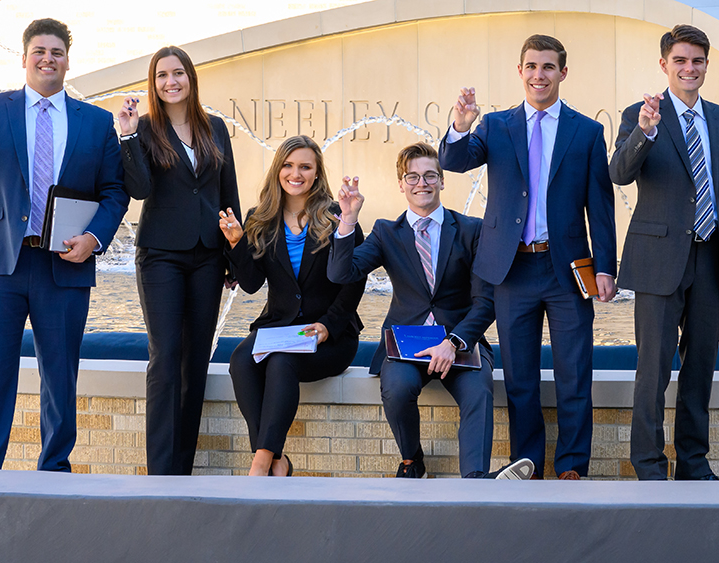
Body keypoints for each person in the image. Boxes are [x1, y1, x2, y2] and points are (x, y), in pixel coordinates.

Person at [0, 18, 128, 472]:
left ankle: (54, 470)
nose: (47, 59)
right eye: (39, 51)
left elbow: (115, 191)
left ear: (66, 61)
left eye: (56, 52)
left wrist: (94, 238)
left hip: (65, 264)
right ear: (24, 59)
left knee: (60, 376)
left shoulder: (95, 123)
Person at [440, 34, 618, 480]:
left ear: (562, 72)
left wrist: (606, 269)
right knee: (520, 380)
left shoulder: (587, 132)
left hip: (567, 271)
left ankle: (572, 466)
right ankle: (529, 467)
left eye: (548, 67)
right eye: (532, 66)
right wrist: (461, 125)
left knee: (574, 374)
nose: (539, 75)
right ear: (520, 72)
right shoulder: (496, 126)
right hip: (511, 269)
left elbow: (601, 208)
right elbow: (455, 161)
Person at [610, 25, 719, 481]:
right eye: (679, 60)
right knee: (652, 370)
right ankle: (649, 465)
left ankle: (693, 462)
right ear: (664, 65)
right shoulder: (641, 115)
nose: (688, 68)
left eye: (696, 60)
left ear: (706, 65)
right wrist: (644, 133)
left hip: (711, 260)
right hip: (658, 262)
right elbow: (619, 172)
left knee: (700, 367)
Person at [329, 143, 534, 480]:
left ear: (442, 181)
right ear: (401, 184)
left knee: (479, 391)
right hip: (406, 344)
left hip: (459, 342)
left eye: (429, 176)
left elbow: (486, 301)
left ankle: (475, 480)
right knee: (397, 389)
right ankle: (412, 461)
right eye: (412, 176)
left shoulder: (470, 230)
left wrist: (453, 342)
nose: (421, 183)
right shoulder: (385, 232)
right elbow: (341, 273)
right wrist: (348, 220)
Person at [115, 46, 241, 476]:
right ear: (154, 83)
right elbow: (138, 189)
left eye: (178, 73)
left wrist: (233, 257)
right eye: (161, 75)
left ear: (190, 77)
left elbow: (229, 195)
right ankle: (160, 472)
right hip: (161, 255)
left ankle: (181, 470)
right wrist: (128, 136)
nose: (171, 82)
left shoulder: (216, 128)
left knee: (195, 361)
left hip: (207, 255)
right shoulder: (145, 128)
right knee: (166, 356)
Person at [219, 135, 364, 477]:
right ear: (277, 170)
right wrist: (238, 242)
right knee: (241, 359)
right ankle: (277, 460)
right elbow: (252, 284)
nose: (295, 173)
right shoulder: (261, 217)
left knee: (282, 363)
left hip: (330, 334)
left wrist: (329, 325)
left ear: (316, 173)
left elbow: (355, 281)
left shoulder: (336, 215)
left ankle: (259, 464)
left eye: (305, 167)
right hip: (281, 328)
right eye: (288, 165)